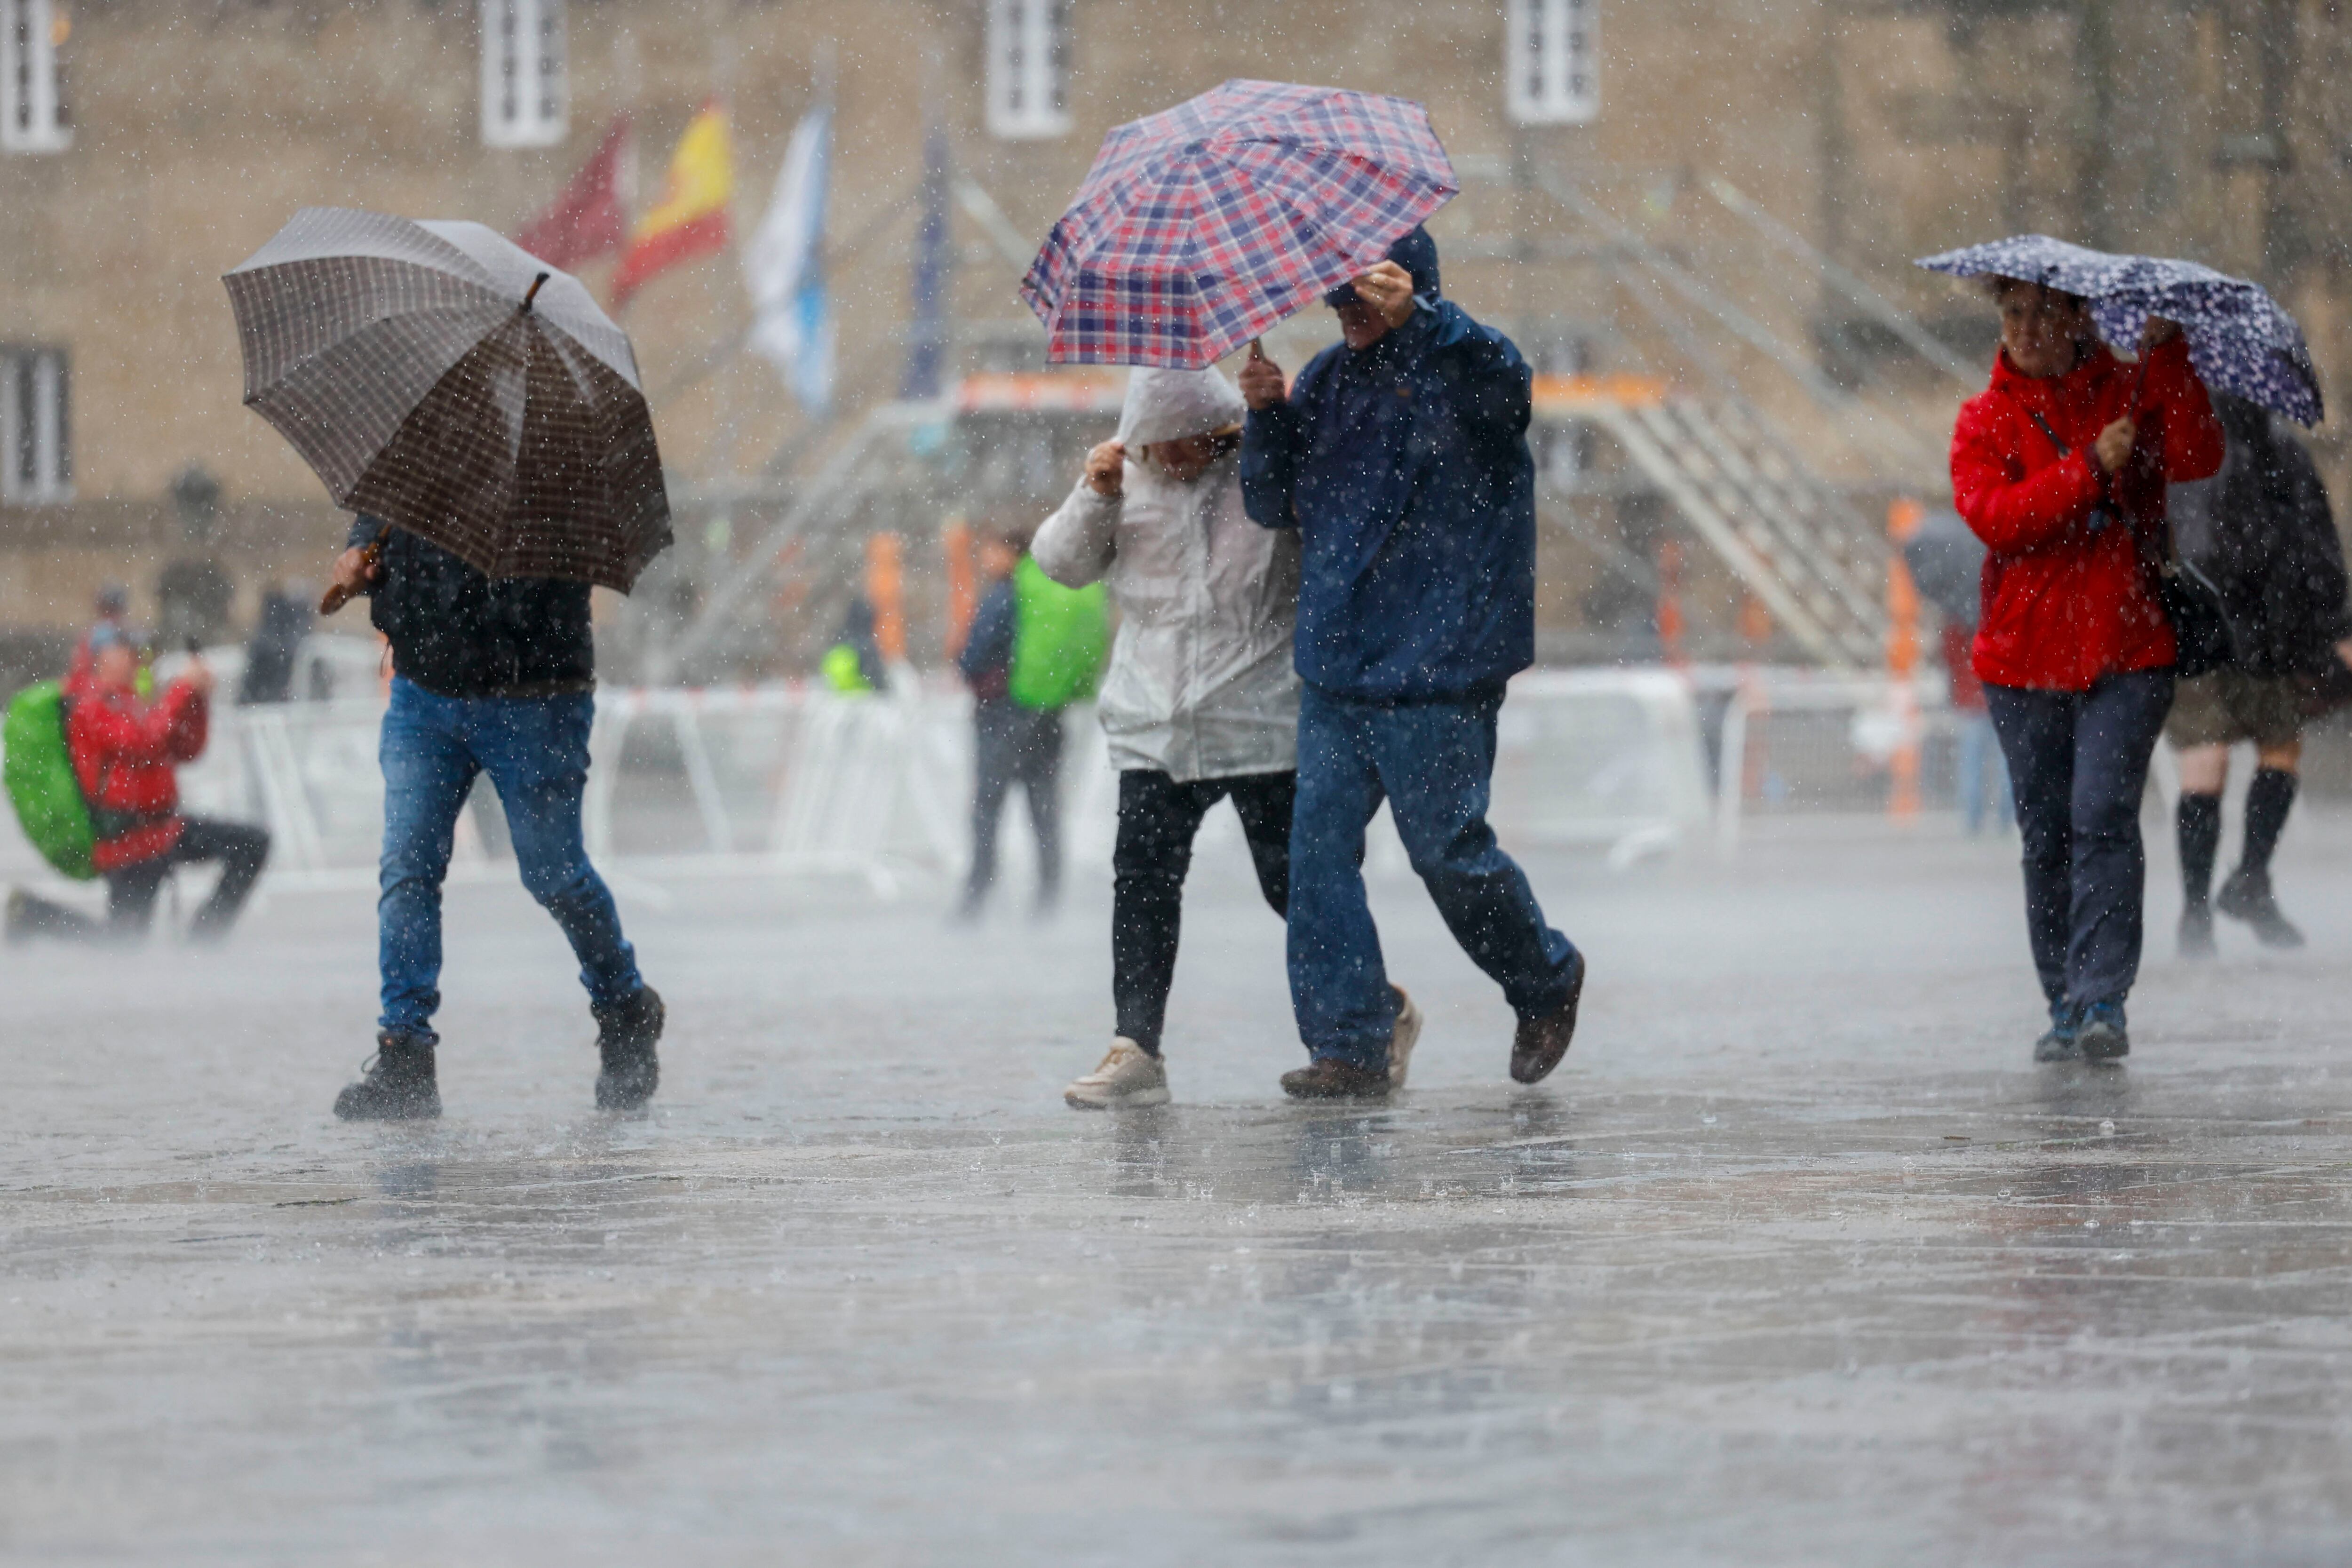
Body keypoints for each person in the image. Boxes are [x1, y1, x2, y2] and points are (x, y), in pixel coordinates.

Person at [1239, 225, 1585, 1100]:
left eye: (1363, 293)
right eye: (1337, 295)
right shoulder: (1322, 382)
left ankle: (1543, 978)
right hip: (1338, 668)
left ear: (1406, 283)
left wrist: (1430, 321)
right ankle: (1350, 1041)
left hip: (1442, 665)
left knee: (1449, 854)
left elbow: (1509, 390)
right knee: (1314, 858)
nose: (1346, 311)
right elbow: (1272, 502)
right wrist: (1267, 415)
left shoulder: (1467, 365)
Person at [1949, 279, 2223, 1064]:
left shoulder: (2131, 388)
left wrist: (2168, 353)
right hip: (2022, 658)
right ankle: (2062, 1000)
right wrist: (2087, 468)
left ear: (2080, 317)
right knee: (2047, 836)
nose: (2027, 328)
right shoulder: (1984, 419)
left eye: (2043, 311)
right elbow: (1999, 518)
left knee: (2103, 815)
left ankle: (2104, 997)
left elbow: (2200, 452)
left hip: (2128, 648)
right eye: (2013, 313)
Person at [321, 515, 663, 1121]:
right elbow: (384, 511)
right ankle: (405, 1054)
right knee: (408, 866)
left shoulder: (553, 460)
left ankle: (624, 1005)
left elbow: (546, 597)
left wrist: (477, 583)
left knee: (553, 875)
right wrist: (361, 551)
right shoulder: (426, 439)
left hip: (535, 698)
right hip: (425, 692)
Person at [1032, 367, 1304, 1109]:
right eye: (1159, 448)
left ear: (1221, 434)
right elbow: (1060, 563)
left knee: (1295, 887)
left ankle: (1370, 1009)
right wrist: (1095, 493)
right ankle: (1136, 1046)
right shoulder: (1123, 482)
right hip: (1154, 724)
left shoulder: (1266, 472)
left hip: (1260, 720)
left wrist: (1273, 416)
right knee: (1144, 888)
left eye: (1189, 447)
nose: (1174, 463)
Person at [2165, 391, 2352, 955]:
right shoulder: (2276, 449)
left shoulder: (2176, 445)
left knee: (2209, 759)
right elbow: (2315, 543)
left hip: (2203, 623)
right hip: (2260, 626)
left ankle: (2200, 909)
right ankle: (2246, 880)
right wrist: (2334, 622)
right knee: (2274, 748)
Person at [5, 623, 270, 945]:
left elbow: (186, 749)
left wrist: (197, 700)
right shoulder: (89, 704)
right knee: (120, 947)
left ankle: (205, 941)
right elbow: (143, 742)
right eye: (128, 650)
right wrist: (183, 688)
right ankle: (34, 913)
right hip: (126, 844)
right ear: (100, 656)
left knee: (251, 845)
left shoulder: (131, 700)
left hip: (163, 831)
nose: (137, 659)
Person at [953, 525, 1107, 922]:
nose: (986, 560)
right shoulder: (1052, 588)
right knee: (1043, 807)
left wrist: (966, 665)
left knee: (988, 806)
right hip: (1048, 713)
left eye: (991, 550)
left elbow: (976, 652)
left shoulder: (1006, 595)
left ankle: (977, 892)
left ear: (1011, 552)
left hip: (1003, 713)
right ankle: (1049, 895)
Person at [1942, 613, 2013, 838]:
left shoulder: (1958, 623)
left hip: (1972, 703)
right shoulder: (2004, 616)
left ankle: (1973, 818)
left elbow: (1950, 658)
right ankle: (2006, 816)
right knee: (2006, 763)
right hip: (2001, 697)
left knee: (1971, 763)